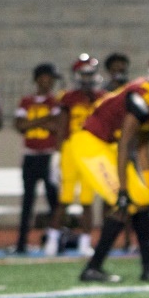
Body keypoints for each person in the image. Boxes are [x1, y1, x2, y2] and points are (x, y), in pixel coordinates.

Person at [75, 47, 149, 282]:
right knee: (125, 202)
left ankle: (148, 268)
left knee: (144, 200)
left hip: (109, 147)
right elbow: (126, 144)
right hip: (91, 144)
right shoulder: (144, 94)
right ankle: (92, 268)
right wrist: (122, 188)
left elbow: (143, 147)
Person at [45, 54, 105, 257]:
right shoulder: (68, 98)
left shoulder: (102, 97)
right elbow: (62, 126)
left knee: (88, 200)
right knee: (65, 199)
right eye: (84, 74)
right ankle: (52, 239)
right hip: (71, 149)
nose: (88, 79)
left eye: (91, 74)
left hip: (92, 150)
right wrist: (57, 152)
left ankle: (85, 242)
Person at [13, 63, 61, 254]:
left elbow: (57, 127)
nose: (48, 82)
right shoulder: (26, 101)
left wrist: (32, 123)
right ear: (38, 79)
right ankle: (21, 243)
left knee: (54, 201)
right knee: (27, 201)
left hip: (49, 155)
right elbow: (20, 126)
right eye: (45, 78)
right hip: (30, 156)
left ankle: (53, 240)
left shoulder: (56, 102)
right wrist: (44, 120)